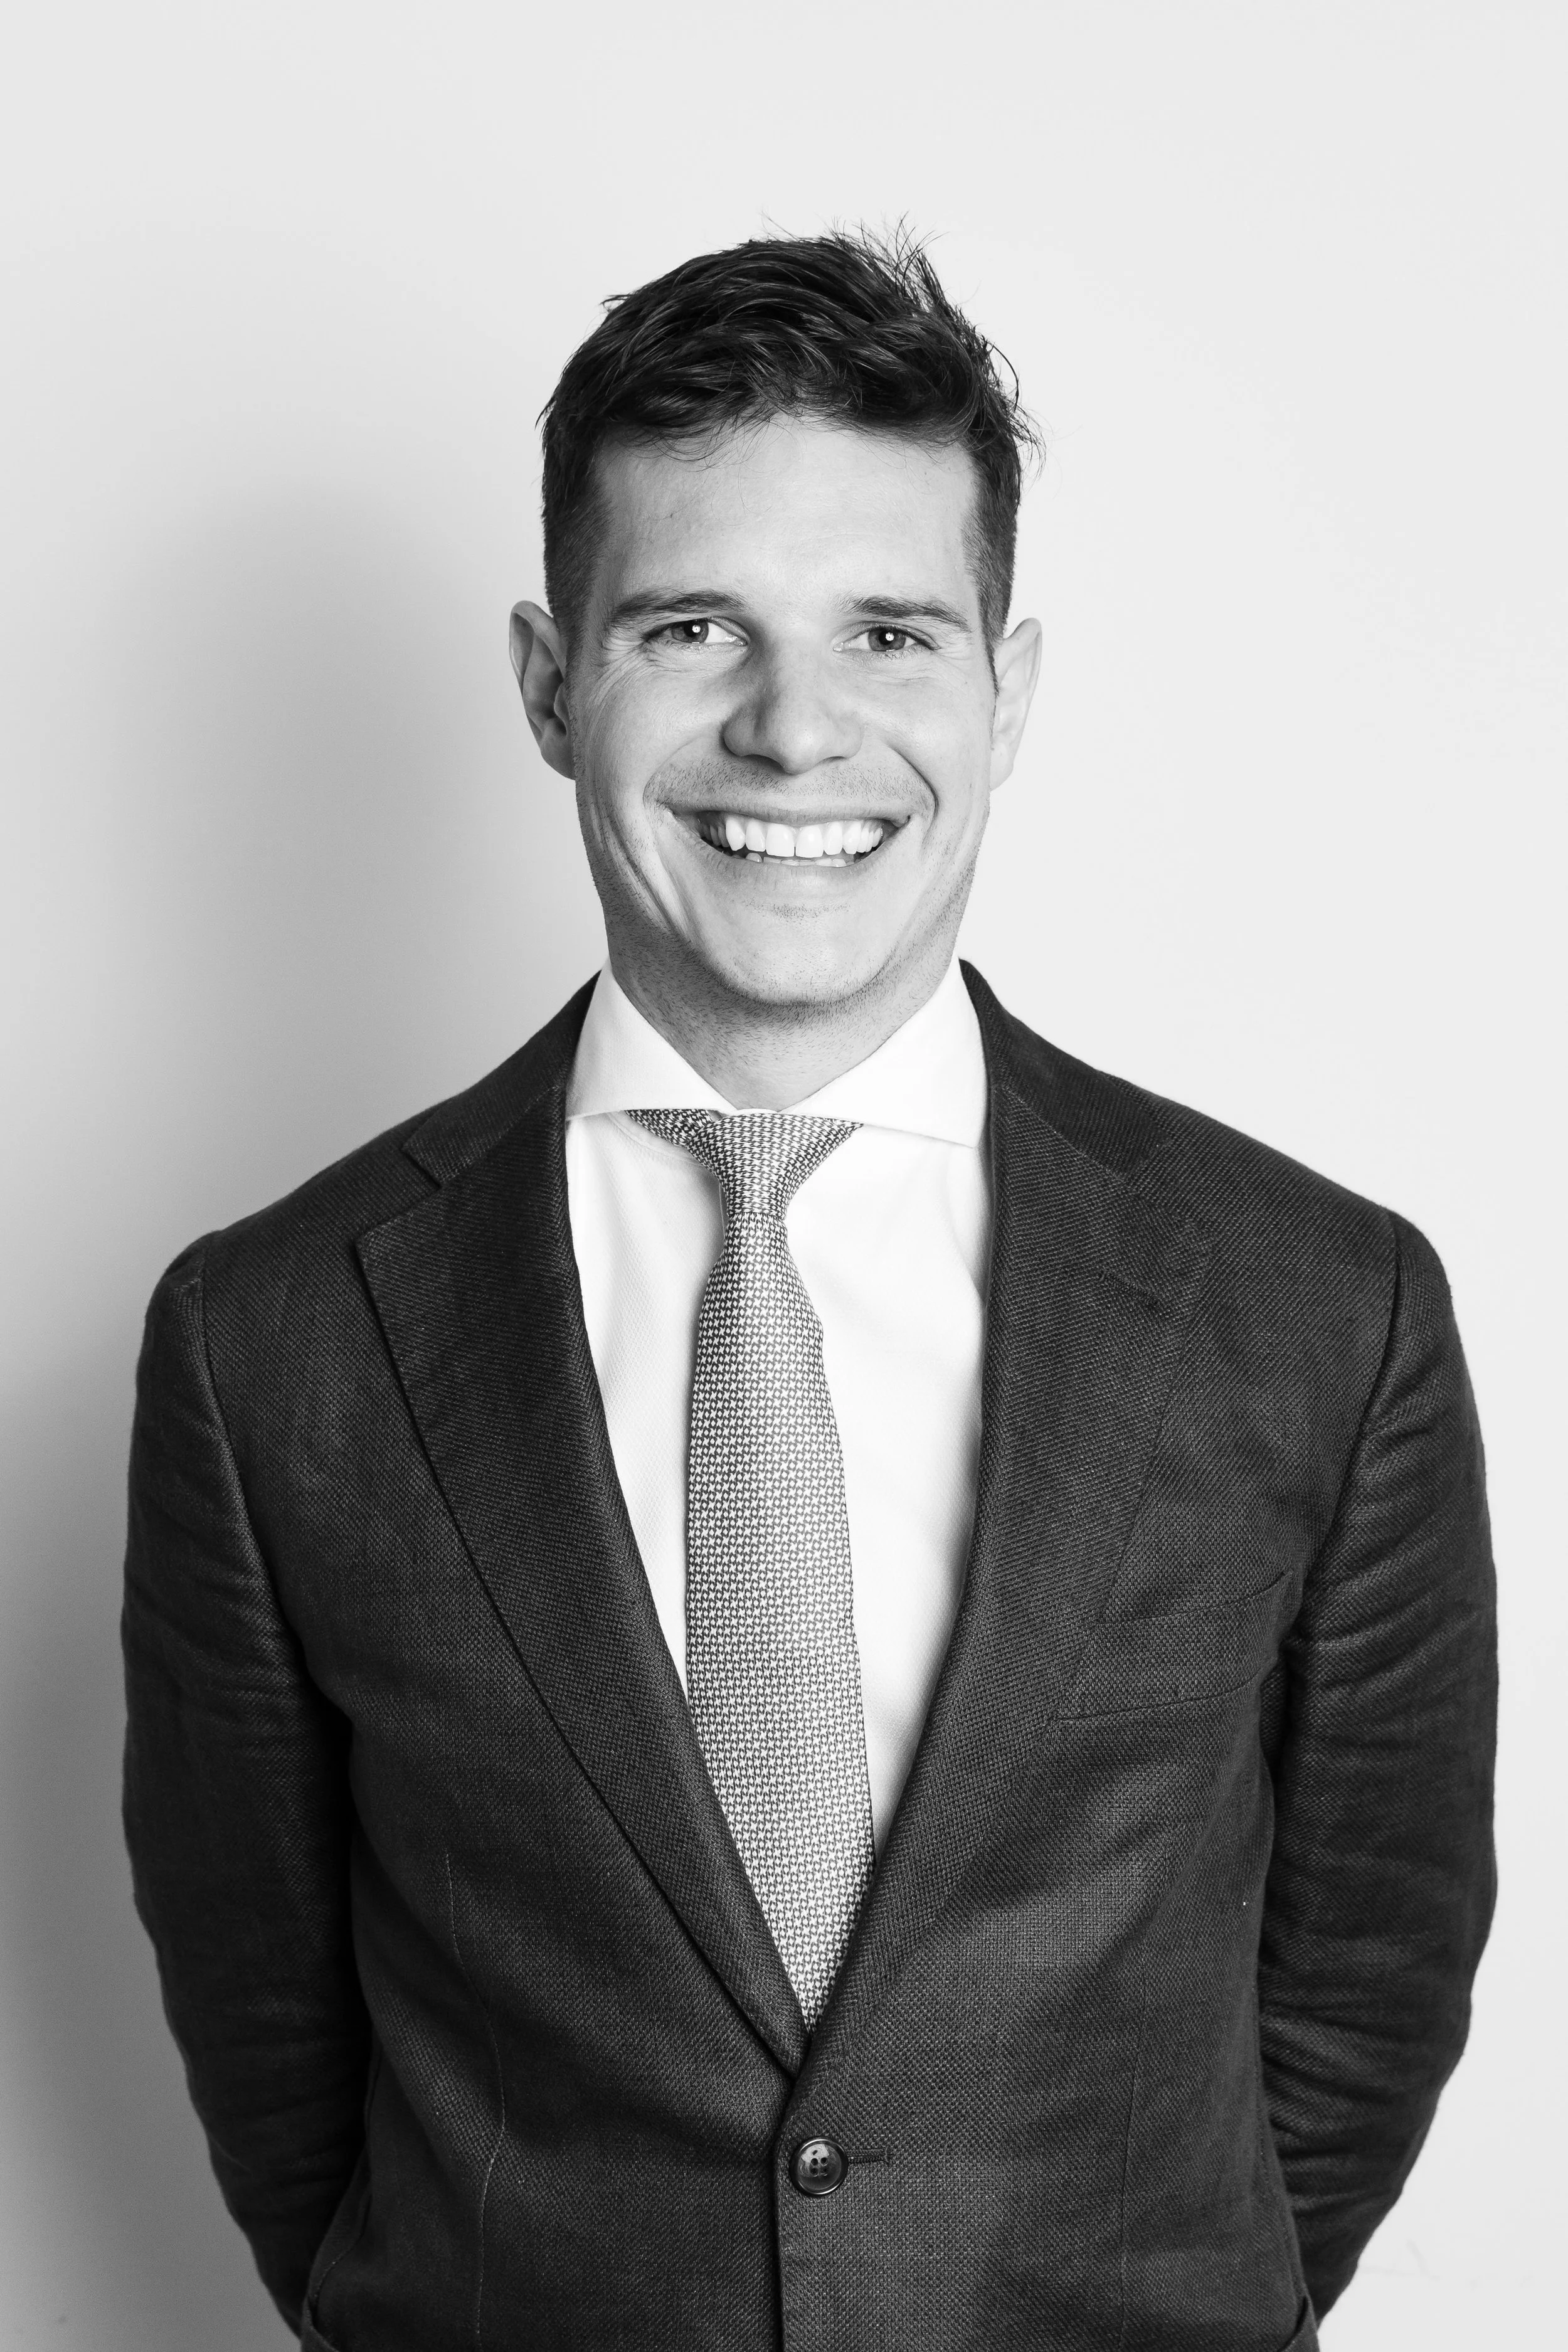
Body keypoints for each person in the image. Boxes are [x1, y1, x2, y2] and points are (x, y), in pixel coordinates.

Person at [121, 231, 1496, 2352]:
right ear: (547, 680)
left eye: (886, 629)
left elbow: (1363, 1984)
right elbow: (276, 2036)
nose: (794, 728)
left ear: (1003, 692)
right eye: (691, 626)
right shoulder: (269, 1342)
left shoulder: (1321, 1307)